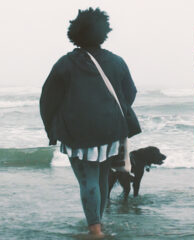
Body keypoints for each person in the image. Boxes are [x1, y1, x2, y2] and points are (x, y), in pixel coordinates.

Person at [39, 7, 141, 238]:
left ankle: (95, 230)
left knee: (88, 180)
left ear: (74, 33)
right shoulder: (117, 61)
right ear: (104, 33)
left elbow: (48, 100)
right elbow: (130, 93)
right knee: (103, 178)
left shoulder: (65, 64)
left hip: (77, 132)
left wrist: (52, 129)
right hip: (111, 130)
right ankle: (98, 222)